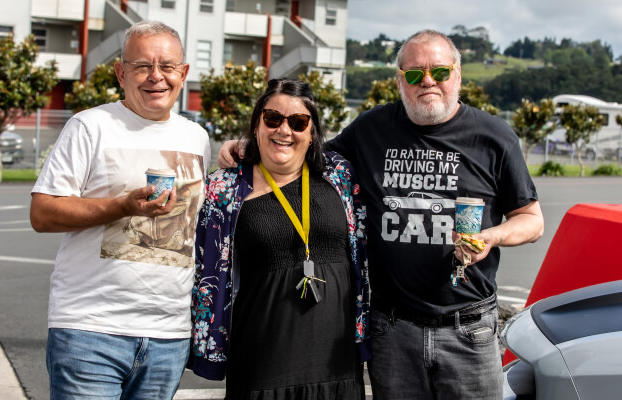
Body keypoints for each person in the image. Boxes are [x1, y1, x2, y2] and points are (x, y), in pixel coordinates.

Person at [218, 30, 544, 399]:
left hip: (467, 328)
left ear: (457, 74)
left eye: (439, 71)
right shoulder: (372, 128)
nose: (427, 81)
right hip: (393, 329)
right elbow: (306, 153)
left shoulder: (493, 135)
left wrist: (492, 236)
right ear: (400, 80)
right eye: (414, 73)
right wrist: (250, 146)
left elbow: (532, 220)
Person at [30, 20, 210, 399]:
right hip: (90, 329)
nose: (156, 76)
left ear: (183, 74)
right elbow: (43, 213)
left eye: (167, 66)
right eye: (142, 66)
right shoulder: (89, 127)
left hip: (168, 335)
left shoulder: (197, 138)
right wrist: (122, 206)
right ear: (120, 72)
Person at [189, 78, 371, 399]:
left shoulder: (340, 175)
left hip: (337, 366)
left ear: (312, 132)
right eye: (273, 119)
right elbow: (202, 270)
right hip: (262, 366)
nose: (284, 130)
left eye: (298, 122)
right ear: (257, 124)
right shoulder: (224, 188)